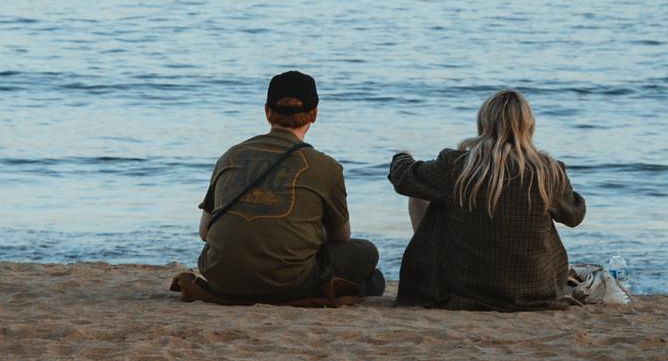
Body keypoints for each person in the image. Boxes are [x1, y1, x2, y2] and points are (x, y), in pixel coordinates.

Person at [196, 70, 385, 301]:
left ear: (267, 112)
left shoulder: (231, 156)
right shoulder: (325, 166)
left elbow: (205, 232)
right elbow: (341, 237)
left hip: (221, 276)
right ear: (314, 113)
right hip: (287, 282)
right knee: (367, 252)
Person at [389, 89, 586, 310]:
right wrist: (559, 188)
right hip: (535, 289)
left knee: (424, 191)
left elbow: (403, 178)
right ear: (529, 126)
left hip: (465, 287)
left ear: (483, 123)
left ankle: (432, 270)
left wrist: (402, 154)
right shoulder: (548, 172)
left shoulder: (457, 165)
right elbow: (574, 216)